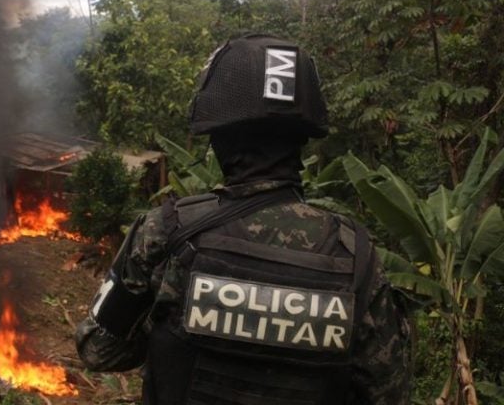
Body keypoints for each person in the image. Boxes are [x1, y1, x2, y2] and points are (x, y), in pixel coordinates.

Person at [75, 34, 411, 405]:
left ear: (219, 139)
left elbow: (99, 350)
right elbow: (388, 392)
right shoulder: (355, 257)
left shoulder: (165, 231)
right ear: (303, 141)